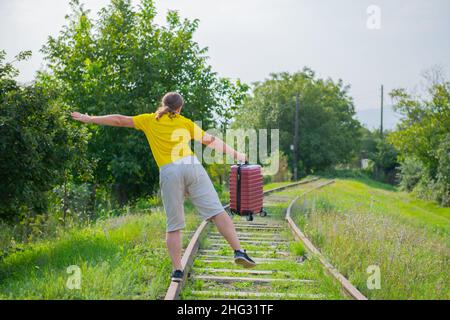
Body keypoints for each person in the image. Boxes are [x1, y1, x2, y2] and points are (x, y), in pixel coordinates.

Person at [71, 92, 256, 283]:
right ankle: (238, 250)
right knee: (217, 212)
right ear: (180, 108)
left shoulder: (149, 120)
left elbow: (119, 120)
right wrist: (238, 154)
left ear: (163, 104)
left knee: (174, 224)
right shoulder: (185, 122)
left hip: (169, 172)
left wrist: (90, 118)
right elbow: (211, 140)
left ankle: (177, 270)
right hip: (191, 166)